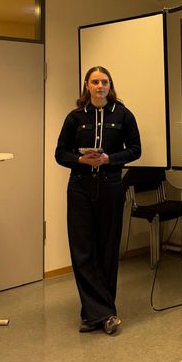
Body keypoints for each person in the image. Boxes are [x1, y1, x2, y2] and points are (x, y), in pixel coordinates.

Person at [55, 66, 141, 334]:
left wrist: (109, 159)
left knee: (107, 248)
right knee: (82, 250)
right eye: (95, 81)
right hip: (80, 187)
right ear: (87, 85)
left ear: (110, 85)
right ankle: (103, 314)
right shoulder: (75, 117)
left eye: (104, 81)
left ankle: (96, 314)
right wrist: (80, 159)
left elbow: (135, 150)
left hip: (111, 186)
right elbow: (60, 153)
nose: (100, 86)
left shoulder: (124, 115)